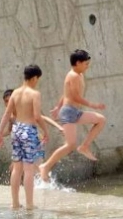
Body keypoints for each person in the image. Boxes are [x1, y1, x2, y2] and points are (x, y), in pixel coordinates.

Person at [40, 49, 106, 182]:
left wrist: (57, 107)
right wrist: (92, 105)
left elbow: (66, 93)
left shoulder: (78, 74)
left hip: (74, 111)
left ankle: (84, 146)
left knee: (101, 120)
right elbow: (75, 97)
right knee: (70, 145)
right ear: (78, 63)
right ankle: (45, 166)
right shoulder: (73, 76)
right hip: (69, 112)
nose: (87, 66)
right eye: (86, 64)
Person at [0, 64, 50, 210]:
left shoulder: (15, 93)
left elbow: (7, 114)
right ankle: (29, 204)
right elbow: (37, 116)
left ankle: (15, 203)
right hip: (29, 130)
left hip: (16, 130)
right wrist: (46, 131)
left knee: (17, 169)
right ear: (35, 78)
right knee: (28, 169)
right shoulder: (34, 94)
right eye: (38, 79)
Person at [1, 88, 63, 176]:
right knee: (14, 168)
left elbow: (43, 118)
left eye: (10, 100)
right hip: (23, 145)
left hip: (35, 142)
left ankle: (46, 182)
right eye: (6, 101)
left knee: (34, 170)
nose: (8, 103)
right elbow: (9, 130)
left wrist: (59, 127)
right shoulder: (10, 116)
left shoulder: (24, 111)